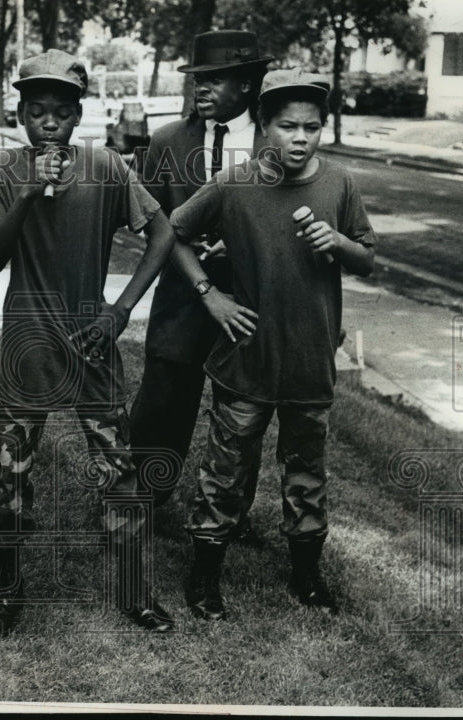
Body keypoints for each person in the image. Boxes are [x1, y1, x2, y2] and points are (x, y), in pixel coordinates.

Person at [0, 49, 176, 633]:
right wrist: (29, 193)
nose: (48, 122)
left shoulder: (107, 168)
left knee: (119, 470)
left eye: (60, 111)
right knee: (11, 474)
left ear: (78, 114)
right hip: (28, 343)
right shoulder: (4, 169)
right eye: (36, 111)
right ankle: (5, 593)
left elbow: (161, 232)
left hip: (91, 340)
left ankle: (135, 592)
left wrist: (122, 310)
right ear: (21, 114)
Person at [169, 69, 376, 620]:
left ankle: (307, 576)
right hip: (247, 359)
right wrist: (210, 295)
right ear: (263, 125)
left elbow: (368, 258)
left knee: (307, 473)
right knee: (226, 471)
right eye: (287, 126)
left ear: (323, 129)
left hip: (311, 361)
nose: (300, 138)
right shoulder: (234, 184)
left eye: (311, 127)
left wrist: (338, 242)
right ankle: (204, 578)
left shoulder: (339, 185)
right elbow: (174, 233)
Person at [129, 31, 272, 545]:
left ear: (248, 83)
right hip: (183, 299)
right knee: (162, 404)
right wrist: (205, 286)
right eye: (198, 79)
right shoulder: (168, 140)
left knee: (242, 411)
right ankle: (139, 503)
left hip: (252, 305)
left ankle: (229, 512)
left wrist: (241, 248)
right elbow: (154, 222)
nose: (201, 89)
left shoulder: (269, 141)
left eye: (215, 79)